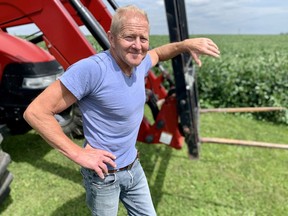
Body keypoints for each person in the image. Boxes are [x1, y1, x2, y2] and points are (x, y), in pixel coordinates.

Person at [23, 5, 220, 216]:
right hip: (104, 176)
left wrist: (184, 45)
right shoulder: (92, 69)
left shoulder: (140, 63)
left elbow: (159, 53)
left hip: (133, 167)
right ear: (112, 37)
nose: (138, 46)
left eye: (143, 38)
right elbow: (36, 112)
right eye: (129, 37)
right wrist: (78, 153)